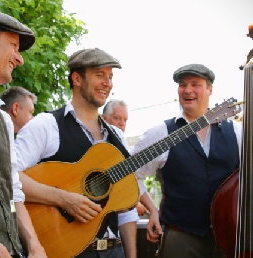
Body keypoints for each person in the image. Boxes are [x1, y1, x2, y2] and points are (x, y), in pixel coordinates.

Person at [15, 48, 139, 258]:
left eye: (110, 77)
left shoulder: (116, 135)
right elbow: (7, 177)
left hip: (114, 250)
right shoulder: (47, 125)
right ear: (76, 78)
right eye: (100, 75)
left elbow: (124, 203)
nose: (108, 83)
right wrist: (63, 199)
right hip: (64, 250)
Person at [131, 64, 242, 258]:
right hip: (180, 237)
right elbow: (131, 174)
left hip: (231, 235)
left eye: (195, 84)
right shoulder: (160, 133)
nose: (188, 90)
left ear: (210, 89)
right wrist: (152, 210)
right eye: (182, 85)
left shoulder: (237, 132)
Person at [0, 10, 46, 258]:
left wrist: (34, 245)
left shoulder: (2, 118)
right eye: (13, 46)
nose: (20, 59)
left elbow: (13, 191)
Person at [102, 99, 148, 217]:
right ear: (104, 119)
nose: (122, 123)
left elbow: (126, 178)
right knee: (130, 213)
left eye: (125, 120)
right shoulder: (97, 144)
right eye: (117, 118)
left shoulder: (122, 142)